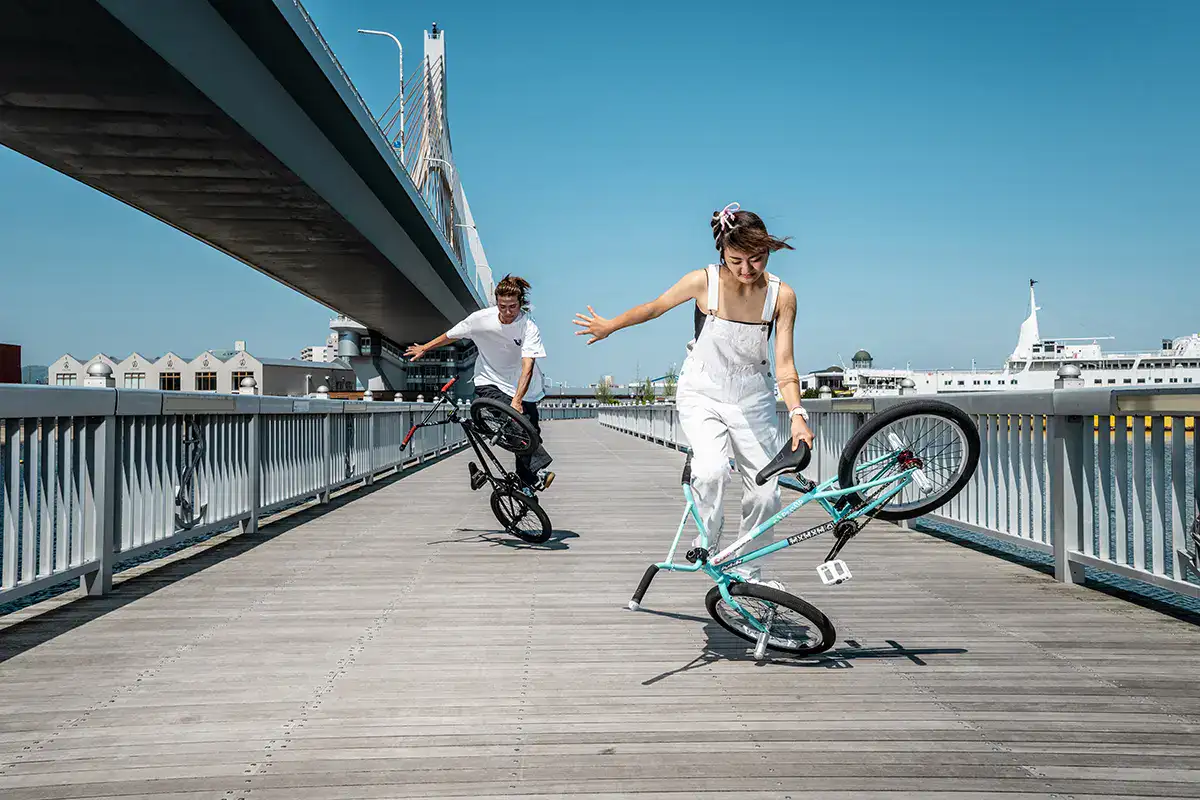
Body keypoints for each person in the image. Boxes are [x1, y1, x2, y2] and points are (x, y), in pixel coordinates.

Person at [573, 203, 813, 577]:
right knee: (713, 471)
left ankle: (745, 569)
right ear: (722, 252)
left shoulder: (782, 296)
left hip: (753, 399)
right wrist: (610, 326)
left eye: (757, 259)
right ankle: (709, 544)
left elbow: (784, 364)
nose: (747, 270)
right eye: (737, 260)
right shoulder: (705, 281)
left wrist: (798, 415)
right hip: (703, 391)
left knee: (768, 492)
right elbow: (654, 308)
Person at [406, 275, 555, 493]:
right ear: (496, 303)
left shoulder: (528, 327)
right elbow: (451, 335)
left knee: (528, 434)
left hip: (523, 390)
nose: (507, 312)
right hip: (489, 381)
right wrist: (425, 347)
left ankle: (526, 488)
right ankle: (539, 471)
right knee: (516, 422)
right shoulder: (481, 319)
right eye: (502, 306)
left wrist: (517, 400)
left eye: (512, 307)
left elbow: (528, 366)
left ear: (520, 303)